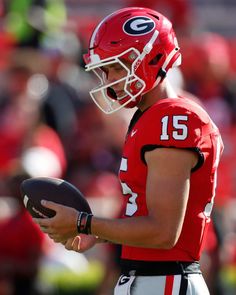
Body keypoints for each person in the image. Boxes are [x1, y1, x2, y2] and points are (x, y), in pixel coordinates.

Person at [33, 7, 224, 294]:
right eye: (105, 70)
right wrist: (97, 234)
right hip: (150, 280)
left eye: (117, 67)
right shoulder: (149, 116)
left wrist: (84, 223)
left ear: (152, 58)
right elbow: (145, 215)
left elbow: (163, 232)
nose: (109, 80)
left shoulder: (171, 118)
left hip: (166, 282)